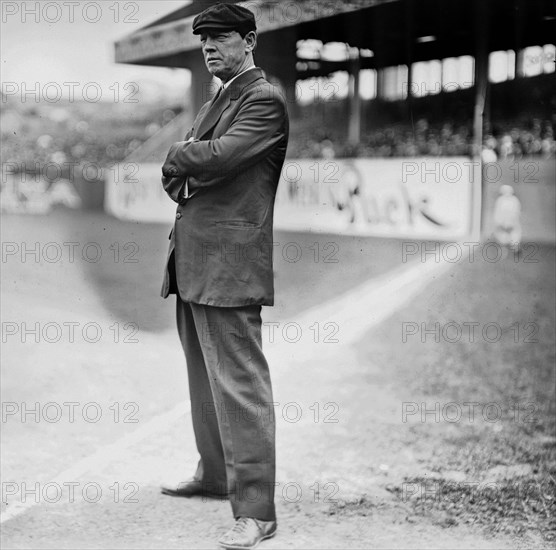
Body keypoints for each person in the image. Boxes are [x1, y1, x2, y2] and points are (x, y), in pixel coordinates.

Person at [159, 4, 289, 549]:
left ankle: (257, 512)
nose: (210, 47)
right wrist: (185, 162)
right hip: (193, 262)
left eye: (221, 38)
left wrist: (178, 153)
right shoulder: (220, 96)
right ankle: (214, 476)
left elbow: (216, 159)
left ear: (250, 40)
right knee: (203, 379)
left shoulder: (262, 98)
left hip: (230, 266)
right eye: (204, 40)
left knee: (239, 385)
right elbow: (181, 177)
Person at [493, 184, 522, 251]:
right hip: (502, 223)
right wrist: (499, 222)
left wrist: (513, 222)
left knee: (514, 237)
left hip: (512, 223)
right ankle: (503, 251)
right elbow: (497, 212)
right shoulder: (500, 200)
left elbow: (517, 212)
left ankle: (516, 251)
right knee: (502, 237)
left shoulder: (514, 200)